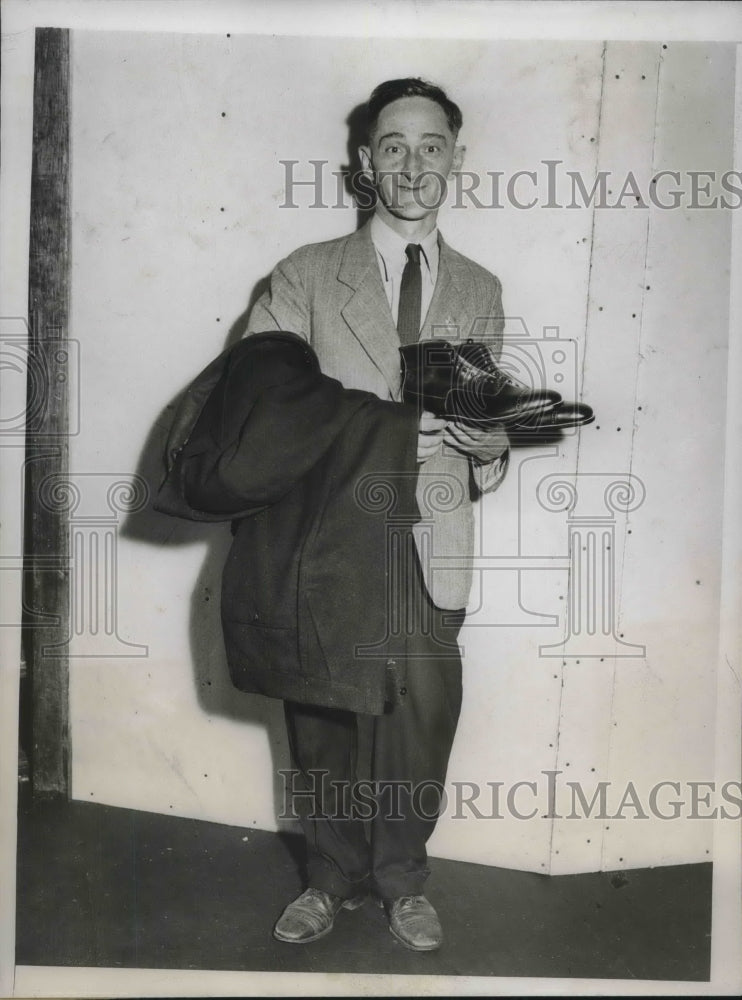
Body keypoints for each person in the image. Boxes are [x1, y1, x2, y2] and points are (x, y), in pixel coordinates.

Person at [245, 77, 510, 952]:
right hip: (329, 531)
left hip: (432, 533)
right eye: (392, 146)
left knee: (423, 713)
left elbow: (486, 412)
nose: (412, 165)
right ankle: (326, 878)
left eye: (430, 146)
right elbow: (259, 405)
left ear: (455, 162)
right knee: (322, 712)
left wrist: (490, 447)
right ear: (365, 162)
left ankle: (402, 879)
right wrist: (386, 429)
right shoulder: (305, 275)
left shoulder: (479, 286)